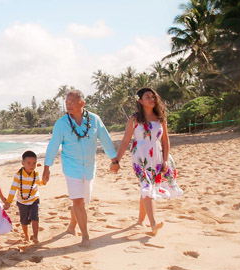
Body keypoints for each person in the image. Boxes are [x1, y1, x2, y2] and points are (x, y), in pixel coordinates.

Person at [43, 90, 117, 248]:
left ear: (82, 103)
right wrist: (47, 167)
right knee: (78, 201)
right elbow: (53, 145)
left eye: (72, 102)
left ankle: (71, 226)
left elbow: (105, 139)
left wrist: (114, 160)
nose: (68, 105)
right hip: (71, 167)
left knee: (81, 200)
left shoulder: (95, 120)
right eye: (66, 102)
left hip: (89, 167)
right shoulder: (61, 124)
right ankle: (85, 236)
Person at [112, 87, 183, 236]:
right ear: (140, 101)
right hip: (140, 156)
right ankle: (153, 223)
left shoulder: (160, 117)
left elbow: (165, 140)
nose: (152, 99)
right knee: (146, 185)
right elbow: (125, 141)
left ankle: (140, 221)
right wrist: (116, 160)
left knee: (149, 186)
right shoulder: (134, 119)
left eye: (153, 96)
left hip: (157, 156)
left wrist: (165, 160)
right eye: (147, 97)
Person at [6, 150, 43, 244]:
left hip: (34, 199)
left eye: (34, 163)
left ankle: (35, 236)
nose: (32, 165)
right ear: (23, 163)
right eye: (29, 163)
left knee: (35, 217)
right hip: (22, 201)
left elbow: (39, 183)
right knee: (24, 221)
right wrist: (9, 201)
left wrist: (44, 181)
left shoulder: (36, 174)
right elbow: (13, 189)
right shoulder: (18, 175)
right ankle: (26, 236)